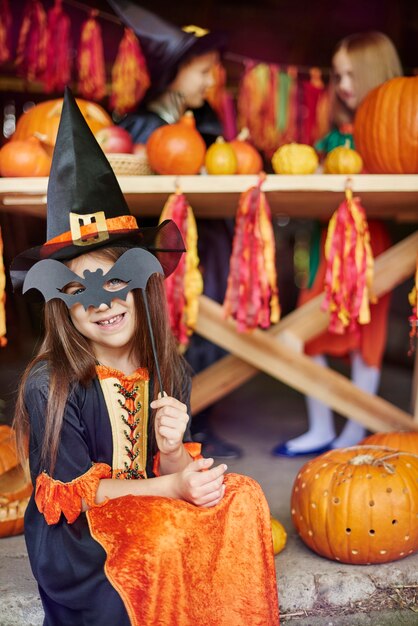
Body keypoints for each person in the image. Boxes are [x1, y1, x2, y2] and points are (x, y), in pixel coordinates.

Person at [11, 88, 279, 626]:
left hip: (151, 500)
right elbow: (77, 497)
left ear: (141, 285)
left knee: (245, 497)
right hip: (82, 541)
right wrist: (173, 487)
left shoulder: (166, 365)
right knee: (163, 539)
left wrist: (176, 452)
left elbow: (168, 466)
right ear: (63, 304)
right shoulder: (51, 384)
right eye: (82, 292)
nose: (103, 303)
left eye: (115, 283)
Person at [108, 1, 241, 459]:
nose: (211, 81)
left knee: (210, 333)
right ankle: (159, 431)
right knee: (166, 334)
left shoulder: (208, 126)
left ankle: (204, 420)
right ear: (174, 72)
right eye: (203, 70)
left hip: (210, 246)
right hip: (163, 249)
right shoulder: (138, 128)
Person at [272, 31, 403, 457]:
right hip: (327, 244)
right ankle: (321, 425)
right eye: (338, 74)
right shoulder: (329, 139)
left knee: (368, 335)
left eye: (353, 74)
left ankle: (354, 429)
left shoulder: (391, 129)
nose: (343, 84)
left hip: (370, 244)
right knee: (309, 331)